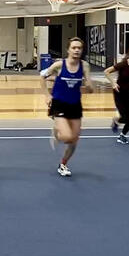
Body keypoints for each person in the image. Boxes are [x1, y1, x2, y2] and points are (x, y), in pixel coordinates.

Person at [41, 37, 93, 177]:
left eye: (79, 48)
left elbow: (89, 87)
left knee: (74, 139)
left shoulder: (85, 66)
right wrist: (47, 95)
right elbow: (42, 77)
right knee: (66, 136)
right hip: (59, 104)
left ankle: (63, 164)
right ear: (68, 50)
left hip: (75, 104)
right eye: (74, 47)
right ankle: (57, 131)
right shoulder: (58, 65)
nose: (76, 50)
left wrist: (89, 86)